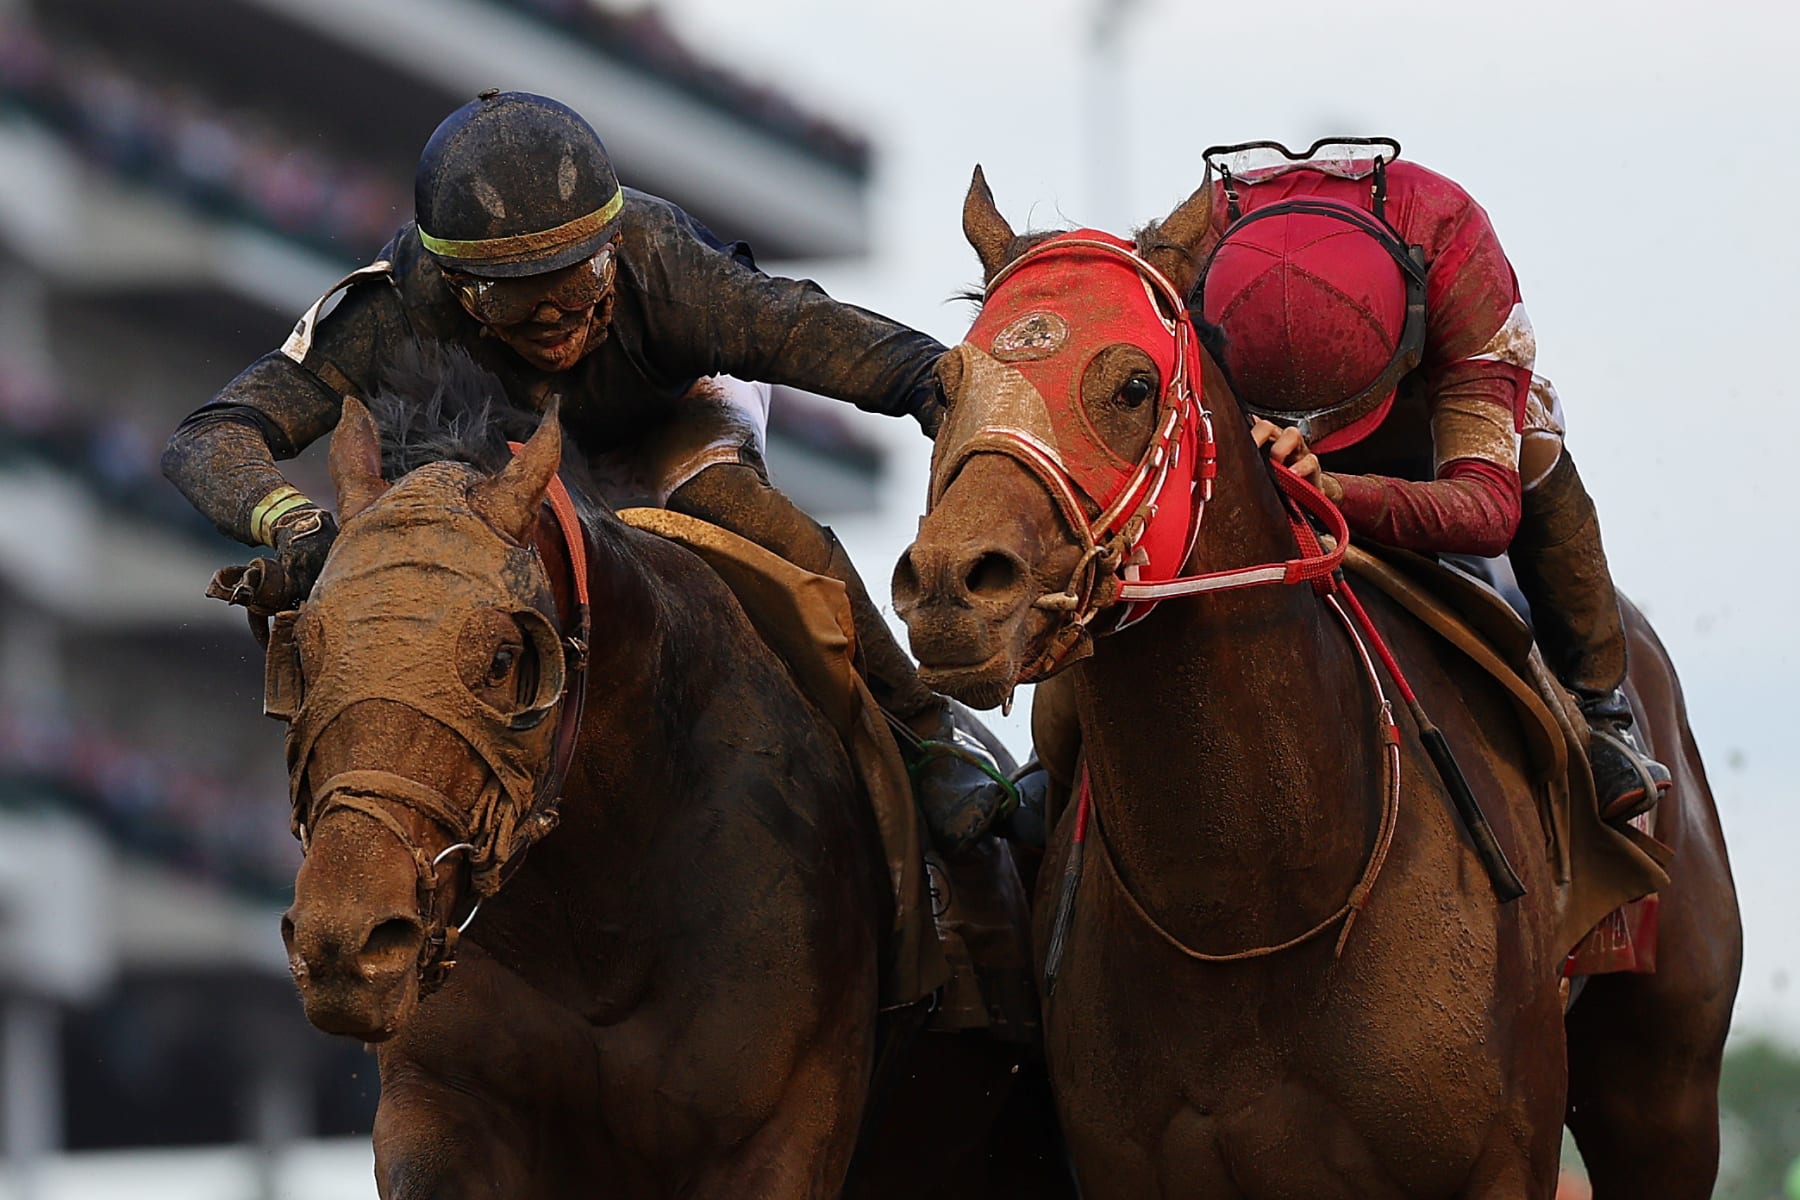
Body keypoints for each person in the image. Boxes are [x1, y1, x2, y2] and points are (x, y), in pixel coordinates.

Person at [161, 90, 1006, 853]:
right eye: (516, 296)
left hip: (672, 415)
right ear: (455, 287)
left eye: (582, 275)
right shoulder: (387, 309)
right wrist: (291, 522)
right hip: (501, 458)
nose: (562, 313)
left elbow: (805, 332)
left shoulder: (662, 259)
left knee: (728, 502)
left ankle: (924, 738)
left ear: (613, 247)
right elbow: (210, 436)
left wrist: (938, 387)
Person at [1193, 140, 1669, 822]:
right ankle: (1059, 748)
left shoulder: (1452, 241)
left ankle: (1599, 706)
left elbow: (1486, 512)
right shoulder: (1190, 244)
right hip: (1242, 418)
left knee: (1532, 437)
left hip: (1419, 413)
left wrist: (1333, 489)